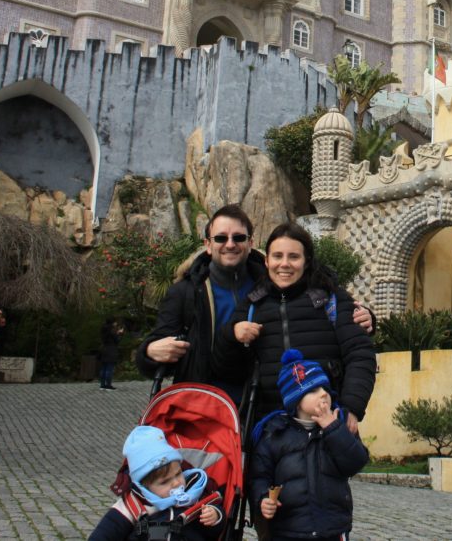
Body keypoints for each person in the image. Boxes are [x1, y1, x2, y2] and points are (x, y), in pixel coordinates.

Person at [136, 206, 372, 400]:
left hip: (256, 404)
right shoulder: (185, 292)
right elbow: (160, 344)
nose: (230, 244)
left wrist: (366, 316)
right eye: (221, 238)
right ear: (208, 244)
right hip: (203, 402)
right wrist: (148, 351)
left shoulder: (268, 282)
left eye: (238, 237)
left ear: (250, 243)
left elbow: (315, 295)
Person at [215, 222, 377, 431]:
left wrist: (351, 409)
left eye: (293, 257)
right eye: (277, 256)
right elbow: (224, 366)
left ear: (306, 261)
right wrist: (231, 334)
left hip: (328, 423)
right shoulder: (252, 305)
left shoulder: (332, 300)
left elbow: (360, 354)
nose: (284, 264)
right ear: (266, 260)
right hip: (270, 430)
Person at [250, 348, 369, 541]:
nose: (323, 394)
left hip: (332, 528)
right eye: (313, 390)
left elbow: (356, 462)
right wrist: (263, 498)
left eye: (324, 388)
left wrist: (333, 429)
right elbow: (259, 476)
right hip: (289, 529)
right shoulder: (274, 433)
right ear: (296, 401)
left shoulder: (339, 423)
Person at [89, 425, 224, 541]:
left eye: (178, 473)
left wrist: (216, 516)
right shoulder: (134, 504)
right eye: (165, 482)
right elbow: (106, 531)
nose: (176, 483)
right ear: (145, 486)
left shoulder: (194, 491)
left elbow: (214, 530)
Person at [99, 318, 125, 391]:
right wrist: (120, 334)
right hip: (111, 350)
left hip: (104, 349)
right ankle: (108, 385)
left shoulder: (104, 330)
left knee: (103, 368)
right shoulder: (112, 331)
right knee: (109, 368)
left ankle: (102, 384)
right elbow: (117, 341)